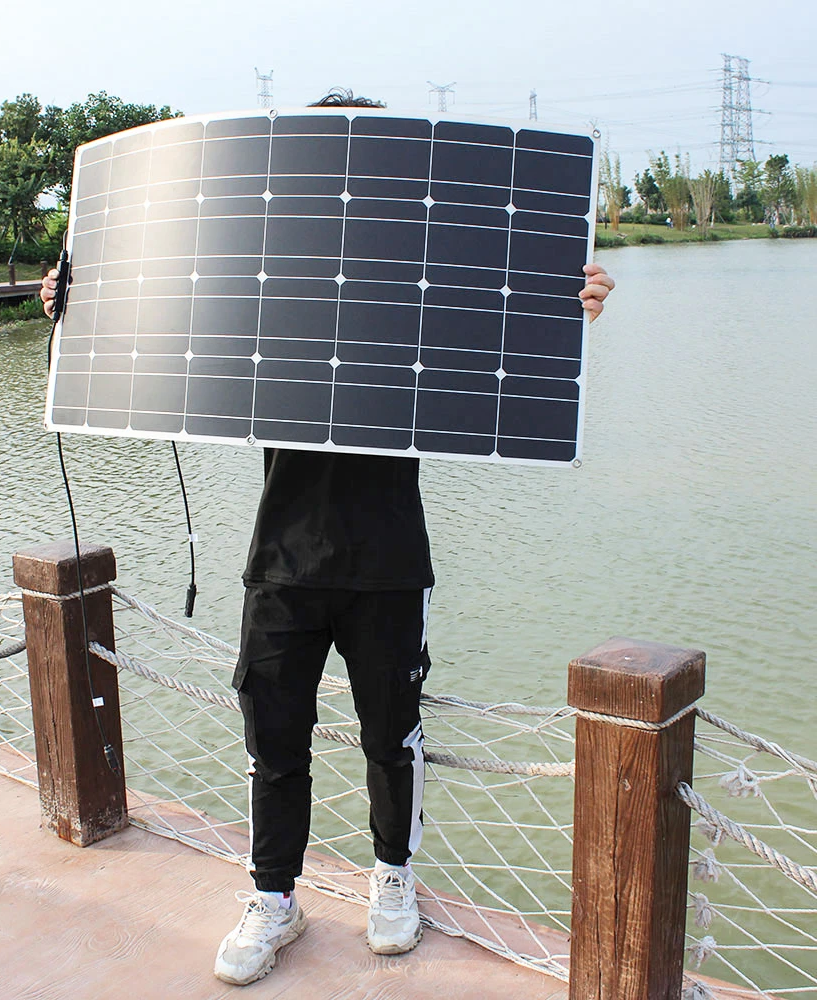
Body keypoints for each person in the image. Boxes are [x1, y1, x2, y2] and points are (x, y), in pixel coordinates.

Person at [41, 90, 615, 987]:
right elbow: (166, 300)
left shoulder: (412, 286)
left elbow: (494, 316)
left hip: (388, 563)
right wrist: (75, 304)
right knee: (275, 741)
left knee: (392, 738)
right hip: (283, 561)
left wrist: (567, 306)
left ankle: (394, 880)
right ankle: (275, 898)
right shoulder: (268, 280)